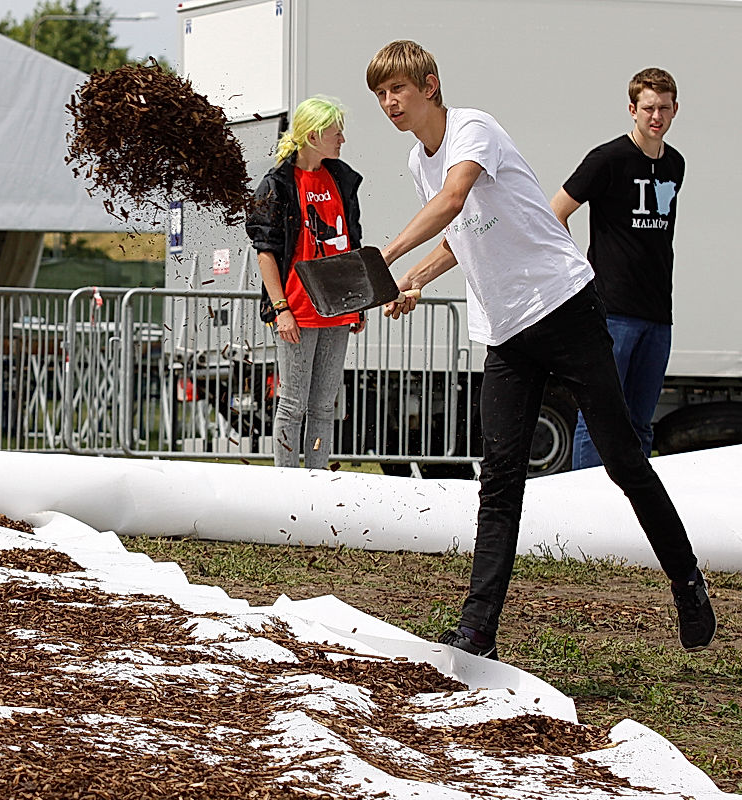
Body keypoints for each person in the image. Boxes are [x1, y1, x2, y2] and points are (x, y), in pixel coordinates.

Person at [365, 40, 714, 658]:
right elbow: (465, 236)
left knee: (624, 460)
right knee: (499, 481)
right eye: (381, 94)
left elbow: (453, 201)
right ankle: (478, 631)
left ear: (430, 84)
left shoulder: (475, 128)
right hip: (505, 332)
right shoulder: (420, 161)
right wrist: (414, 279)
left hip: (565, 309)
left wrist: (381, 261)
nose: (389, 103)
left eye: (398, 89)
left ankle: (687, 581)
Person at [550, 68, 683, 469]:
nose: (655, 116)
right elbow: (555, 212)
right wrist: (578, 272)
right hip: (612, 309)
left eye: (663, 108)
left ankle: (631, 515)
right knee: (600, 417)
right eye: (647, 108)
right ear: (632, 110)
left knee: (640, 424)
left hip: (658, 312)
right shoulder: (608, 159)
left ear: (676, 110)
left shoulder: (675, 164)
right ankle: (587, 516)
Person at [244, 96, 366, 469]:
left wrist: (359, 302)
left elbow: (352, 244)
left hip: (338, 308)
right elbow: (265, 252)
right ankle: (287, 484)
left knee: (324, 405)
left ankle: (316, 486)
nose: (342, 138)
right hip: (296, 309)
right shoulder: (277, 183)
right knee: (292, 402)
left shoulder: (341, 179)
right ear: (313, 135)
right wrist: (281, 309)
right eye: (336, 131)